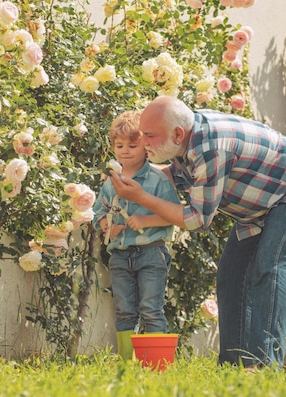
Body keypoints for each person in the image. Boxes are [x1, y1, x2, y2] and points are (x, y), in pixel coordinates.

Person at [109, 96, 286, 370]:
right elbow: (173, 175)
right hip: (260, 204)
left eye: (149, 136)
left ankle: (262, 365)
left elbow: (196, 219)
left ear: (177, 133)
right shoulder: (186, 139)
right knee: (231, 274)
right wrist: (132, 177)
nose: (144, 143)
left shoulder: (210, 149)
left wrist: (142, 196)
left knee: (269, 269)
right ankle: (233, 363)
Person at [93, 110, 180, 360]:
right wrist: (108, 226)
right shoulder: (111, 182)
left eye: (133, 145)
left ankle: (156, 365)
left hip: (151, 253)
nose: (125, 151)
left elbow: (173, 214)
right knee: (124, 312)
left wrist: (144, 219)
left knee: (151, 309)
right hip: (120, 255)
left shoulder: (157, 180)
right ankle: (125, 364)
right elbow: (100, 212)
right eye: (119, 145)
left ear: (146, 146)